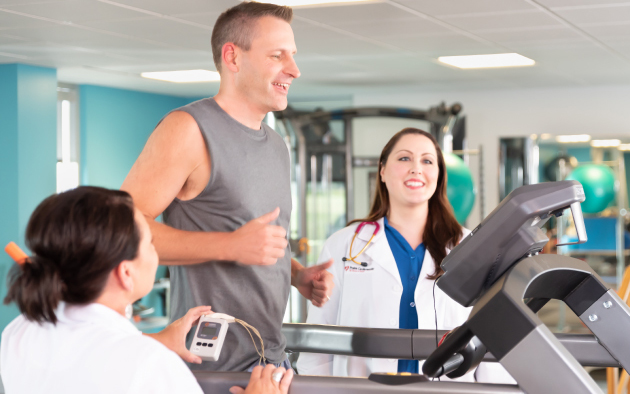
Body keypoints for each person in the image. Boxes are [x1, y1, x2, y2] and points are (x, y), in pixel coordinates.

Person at [120, 1, 333, 372]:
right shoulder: (187, 130)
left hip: (270, 361)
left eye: (293, 56)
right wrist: (231, 246)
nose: (294, 70)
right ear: (233, 57)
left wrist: (296, 274)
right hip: (212, 369)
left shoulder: (276, 144)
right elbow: (120, 230)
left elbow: (250, 235)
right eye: (277, 55)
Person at [0, 187, 293, 394]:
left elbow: (84, 352)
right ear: (125, 273)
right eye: (149, 244)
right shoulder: (150, 365)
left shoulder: (18, 333)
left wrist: (154, 341)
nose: (155, 253)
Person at [296, 128, 515, 383]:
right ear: (382, 171)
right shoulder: (344, 245)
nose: (416, 168)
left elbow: (490, 341)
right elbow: (317, 345)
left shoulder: (471, 248)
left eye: (427, 161)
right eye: (404, 158)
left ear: (438, 175)